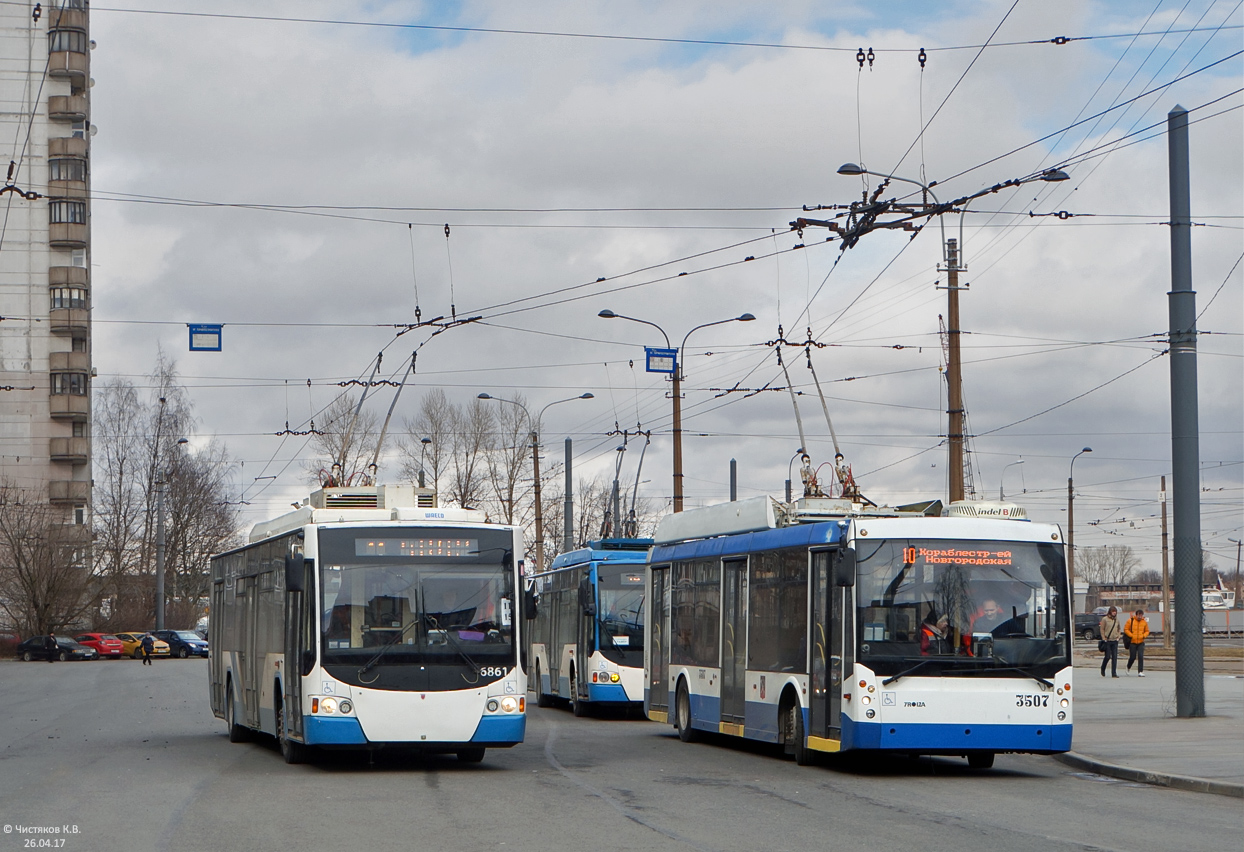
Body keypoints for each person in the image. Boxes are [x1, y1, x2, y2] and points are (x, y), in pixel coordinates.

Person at [1124, 609, 1150, 676]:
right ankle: (1128, 667)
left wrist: (1144, 635)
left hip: (1141, 642)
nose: (1140, 616)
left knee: (1140, 656)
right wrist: (1131, 635)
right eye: (1139, 615)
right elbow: (1126, 629)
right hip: (1132, 642)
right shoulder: (1131, 621)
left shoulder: (1144, 622)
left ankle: (1140, 671)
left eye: (1141, 615)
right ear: (1136, 615)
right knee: (1132, 657)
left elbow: (1147, 631)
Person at [1099, 606, 1122, 677]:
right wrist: (1103, 638)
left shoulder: (1117, 620)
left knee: (1114, 657)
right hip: (1107, 641)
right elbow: (1102, 629)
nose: (1114, 613)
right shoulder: (1105, 619)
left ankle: (1114, 673)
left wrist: (1118, 636)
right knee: (1107, 656)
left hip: (1115, 640)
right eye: (1113, 611)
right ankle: (1103, 668)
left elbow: (1119, 628)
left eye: (1115, 611)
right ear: (1110, 612)